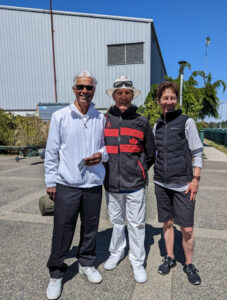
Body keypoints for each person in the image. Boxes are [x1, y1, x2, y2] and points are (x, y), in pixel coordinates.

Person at [44, 71, 108, 299]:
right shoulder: (60, 116)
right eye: (80, 87)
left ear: (94, 91)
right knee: (63, 229)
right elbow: (51, 152)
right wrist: (51, 181)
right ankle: (56, 273)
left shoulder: (100, 118)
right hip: (67, 183)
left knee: (90, 228)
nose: (84, 91)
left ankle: (86, 263)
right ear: (74, 89)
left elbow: (106, 147)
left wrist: (101, 155)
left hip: (92, 184)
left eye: (89, 88)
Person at [103, 76, 155, 283]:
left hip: (134, 185)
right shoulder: (104, 120)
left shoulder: (142, 121)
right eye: (119, 93)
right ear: (114, 96)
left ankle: (137, 261)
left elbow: (150, 153)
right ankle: (116, 253)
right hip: (112, 184)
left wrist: (139, 170)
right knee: (116, 222)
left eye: (127, 93)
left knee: (136, 224)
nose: (123, 97)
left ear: (132, 96)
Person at [154, 81, 203, 285]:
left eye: (172, 97)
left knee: (187, 229)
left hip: (183, 184)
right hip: (161, 183)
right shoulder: (156, 124)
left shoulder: (186, 122)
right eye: (165, 98)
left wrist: (195, 179)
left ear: (176, 99)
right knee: (167, 223)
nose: (169, 101)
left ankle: (189, 263)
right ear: (159, 101)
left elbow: (197, 152)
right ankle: (170, 258)